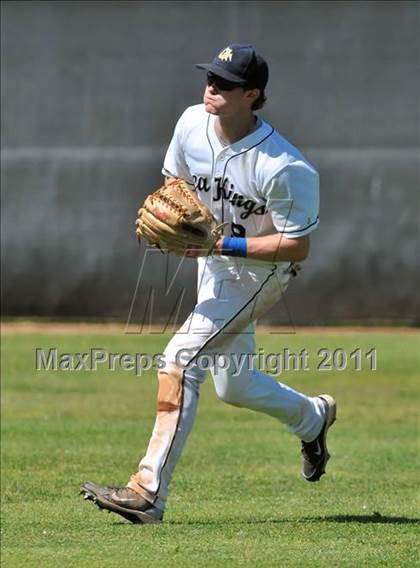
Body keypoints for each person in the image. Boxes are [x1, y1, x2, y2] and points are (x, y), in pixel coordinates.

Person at [81, 44, 336, 524]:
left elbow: (297, 246)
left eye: (225, 83)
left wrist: (222, 248)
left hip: (260, 274)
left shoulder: (284, 167)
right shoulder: (190, 124)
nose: (211, 87)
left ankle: (146, 491)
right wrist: (168, 222)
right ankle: (313, 418)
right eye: (210, 77)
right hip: (212, 263)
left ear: (253, 94)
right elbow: (172, 188)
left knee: (180, 359)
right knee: (234, 386)